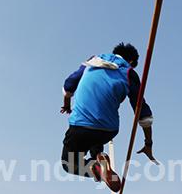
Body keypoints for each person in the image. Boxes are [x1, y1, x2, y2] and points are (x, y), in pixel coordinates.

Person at [60, 42, 156, 192]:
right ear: (131, 61)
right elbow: (142, 113)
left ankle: (95, 167)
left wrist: (66, 104)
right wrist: (148, 143)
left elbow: (68, 86)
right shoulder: (129, 72)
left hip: (80, 126)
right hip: (107, 130)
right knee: (95, 138)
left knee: (69, 164)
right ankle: (98, 156)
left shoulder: (93, 60)